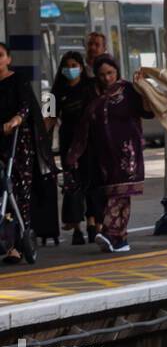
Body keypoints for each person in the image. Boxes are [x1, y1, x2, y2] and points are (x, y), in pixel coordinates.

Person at [67, 55, 152, 254]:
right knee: (115, 194)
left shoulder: (129, 90)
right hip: (104, 156)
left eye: (110, 73)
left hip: (128, 153)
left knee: (120, 194)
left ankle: (109, 231)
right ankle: (120, 240)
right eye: (102, 75)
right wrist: (73, 154)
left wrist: (145, 88)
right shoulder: (91, 95)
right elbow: (82, 127)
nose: (107, 78)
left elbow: (148, 112)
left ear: (117, 71)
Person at [0, 42, 43, 262]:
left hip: (18, 143)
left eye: (0, 56)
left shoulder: (18, 80)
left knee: (18, 191)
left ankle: (17, 244)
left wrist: (16, 120)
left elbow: (26, 106)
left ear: (8, 59)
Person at [50, 50, 97, 245]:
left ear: (81, 67)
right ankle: (77, 228)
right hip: (68, 141)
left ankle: (93, 224)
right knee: (72, 184)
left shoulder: (91, 87)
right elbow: (49, 118)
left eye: (74, 66)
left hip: (90, 140)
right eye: (67, 66)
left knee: (92, 182)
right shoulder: (55, 92)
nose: (70, 70)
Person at [81, 31, 108, 241]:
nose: (93, 47)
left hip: (103, 136)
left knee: (102, 179)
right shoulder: (76, 69)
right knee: (84, 179)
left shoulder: (108, 72)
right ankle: (89, 220)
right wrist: (49, 120)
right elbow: (53, 96)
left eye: (97, 44)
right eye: (90, 44)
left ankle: (98, 221)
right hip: (79, 135)